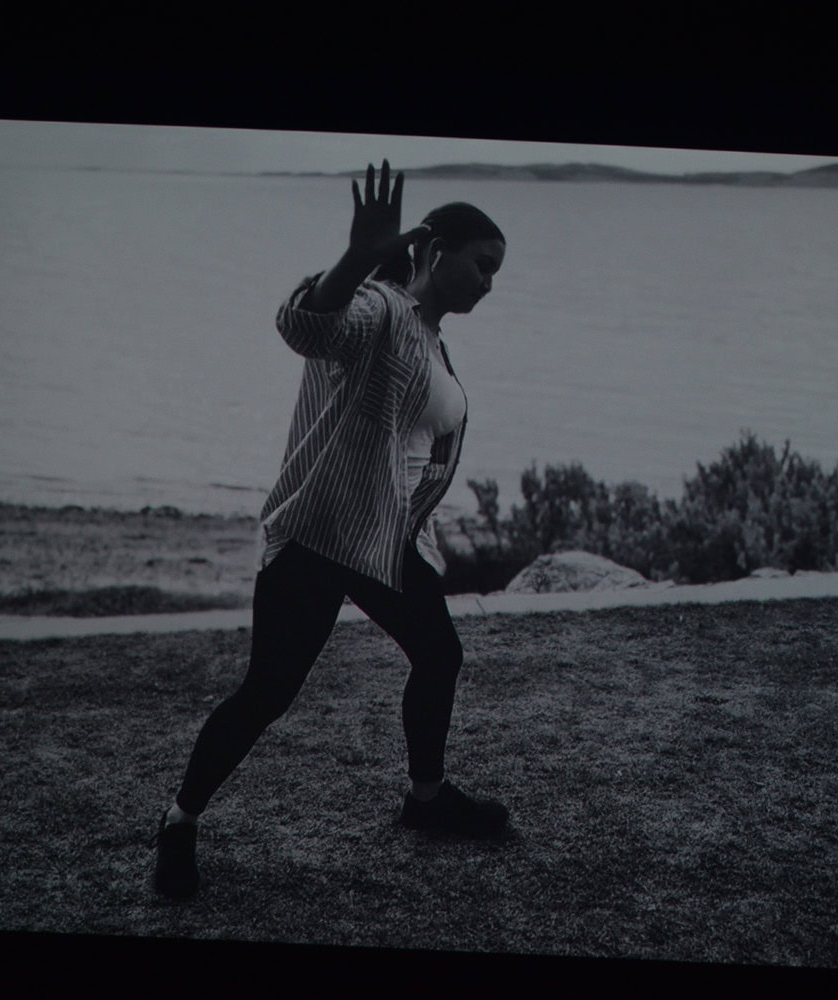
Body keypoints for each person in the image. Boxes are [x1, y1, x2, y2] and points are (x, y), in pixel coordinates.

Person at [153, 160, 509, 899]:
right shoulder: (380, 308)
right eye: (482, 265)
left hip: (388, 541)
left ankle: (426, 799)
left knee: (439, 654)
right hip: (321, 533)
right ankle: (179, 822)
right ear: (434, 252)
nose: (489, 283)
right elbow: (306, 325)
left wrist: (417, 531)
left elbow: (418, 453)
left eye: (496, 272)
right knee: (268, 693)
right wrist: (356, 257)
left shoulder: (433, 340)